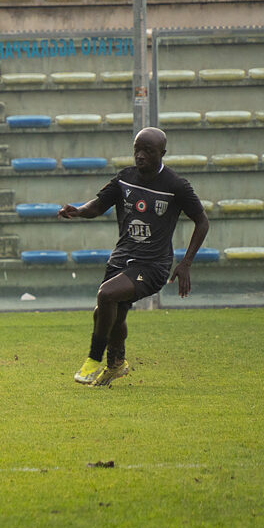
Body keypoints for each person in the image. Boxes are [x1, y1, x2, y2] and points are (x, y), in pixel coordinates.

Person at [58, 126, 209, 387]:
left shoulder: (176, 185)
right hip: (121, 258)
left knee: (106, 295)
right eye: (137, 149)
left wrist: (186, 263)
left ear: (162, 153)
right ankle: (116, 364)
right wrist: (79, 211)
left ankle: (93, 359)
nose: (140, 155)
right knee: (108, 315)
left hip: (153, 265)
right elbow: (98, 205)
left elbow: (202, 222)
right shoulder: (125, 178)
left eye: (147, 151)